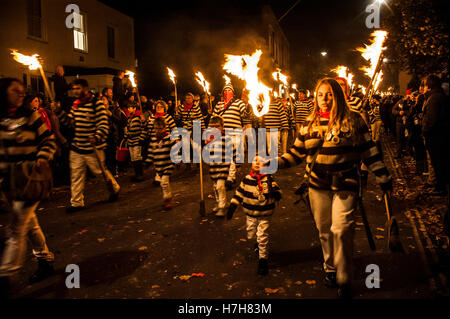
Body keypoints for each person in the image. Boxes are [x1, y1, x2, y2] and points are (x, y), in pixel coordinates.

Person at [275, 78, 392, 298]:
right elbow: (296, 154)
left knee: (342, 229)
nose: (324, 99)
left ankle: (344, 275)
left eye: (329, 94)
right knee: (325, 231)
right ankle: (330, 267)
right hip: (317, 186)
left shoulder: (354, 120)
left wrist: (383, 176)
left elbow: (369, 151)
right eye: (320, 95)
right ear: (315, 97)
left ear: (337, 95)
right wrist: (272, 163)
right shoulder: (309, 123)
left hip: (346, 183)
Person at [0, 78, 57, 297]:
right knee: (30, 225)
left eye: (22, 90)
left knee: (16, 230)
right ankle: (45, 260)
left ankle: (5, 275)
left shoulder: (30, 116)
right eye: (15, 90)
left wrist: (42, 158)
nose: (21, 93)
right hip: (9, 185)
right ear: (4, 93)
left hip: (29, 180)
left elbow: (48, 140)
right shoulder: (2, 119)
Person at [53, 79, 120, 212]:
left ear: (85, 88)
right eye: (74, 88)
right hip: (77, 147)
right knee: (76, 175)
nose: (75, 91)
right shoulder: (76, 105)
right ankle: (76, 202)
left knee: (100, 173)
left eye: (78, 88)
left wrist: (97, 136)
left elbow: (103, 124)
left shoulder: (97, 104)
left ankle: (114, 189)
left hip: (93, 148)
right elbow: (70, 123)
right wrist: (59, 111)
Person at [227, 155, 282, 275]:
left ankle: (263, 260)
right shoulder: (246, 179)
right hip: (250, 214)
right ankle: (257, 242)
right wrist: (233, 206)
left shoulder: (269, 179)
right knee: (251, 234)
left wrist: (277, 194)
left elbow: (277, 189)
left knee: (263, 235)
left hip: (264, 214)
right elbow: (239, 193)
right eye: (255, 160)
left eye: (261, 161)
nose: (257, 163)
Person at [212, 84, 250, 189]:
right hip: (224, 134)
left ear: (233, 93)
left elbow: (245, 114)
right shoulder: (219, 104)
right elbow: (213, 119)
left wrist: (247, 105)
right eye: (225, 90)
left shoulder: (238, 102)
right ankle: (229, 176)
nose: (227, 92)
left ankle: (230, 177)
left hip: (236, 132)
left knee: (233, 156)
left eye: (229, 90)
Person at [421, 75, 449, 196]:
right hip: (439, 135)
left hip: (436, 136)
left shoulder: (434, 98)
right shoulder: (439, 96)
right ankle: (440, 185)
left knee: (438, 162)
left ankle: (440, 187)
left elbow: (432, 120)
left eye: (425, 84)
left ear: (429, 86)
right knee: (439, 162)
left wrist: (425, 130)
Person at [206, 116, 237, 217]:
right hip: (213, 166)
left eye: (217, 126)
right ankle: (219, 201)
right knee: (215, 186)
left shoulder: (226, 138)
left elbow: (233, 151)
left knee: (220, 185)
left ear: (222, 127)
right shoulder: (209, 139)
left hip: (224, 166)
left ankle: (222, 206)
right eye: (212, 127)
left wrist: (238, 163)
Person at [146, 117, 176, 210]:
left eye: (160, 128)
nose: (158, 131)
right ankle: (167, 197)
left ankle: (167, 199)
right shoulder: (154, 140)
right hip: (158, 166)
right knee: (163, 184)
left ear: (164, 128)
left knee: (164, 182)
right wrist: (148, 161)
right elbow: (151, 151)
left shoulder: (169, 138)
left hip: (167, 164)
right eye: (156, 128)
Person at [144, 100, 176, 185]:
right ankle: (159, 175)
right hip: (154, 140)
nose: (159, 108)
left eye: (161, 107)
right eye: (157, 106)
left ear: (164, 108)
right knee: (156, 159)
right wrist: (144, 121)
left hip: (165, 140)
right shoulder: (151, 117)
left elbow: (174, 128)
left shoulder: (168, 117)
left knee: (163, 159)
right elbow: (148, 128)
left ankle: (159, 176)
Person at [124, 102, 145, 182]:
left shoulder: (139, 117)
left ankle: (140, 175)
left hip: (137, 140)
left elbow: (143, 127)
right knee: (133, 158)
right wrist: (126, 136)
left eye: (130, 108)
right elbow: (128, 129)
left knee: (137, 157)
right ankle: (137, 174)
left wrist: (141, 138)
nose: (128, 109)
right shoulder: (130, 118)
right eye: (128, 108)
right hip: (130, 141)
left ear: (134, 108)